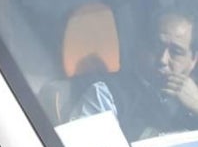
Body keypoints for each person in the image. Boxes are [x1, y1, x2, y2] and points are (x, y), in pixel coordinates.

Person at [72, 10, 198, 140]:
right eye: (156, 46)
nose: (163, 60)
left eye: (176, 52)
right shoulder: (107, 94)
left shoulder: (195, 97)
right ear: (141, 47)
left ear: (193, 60)